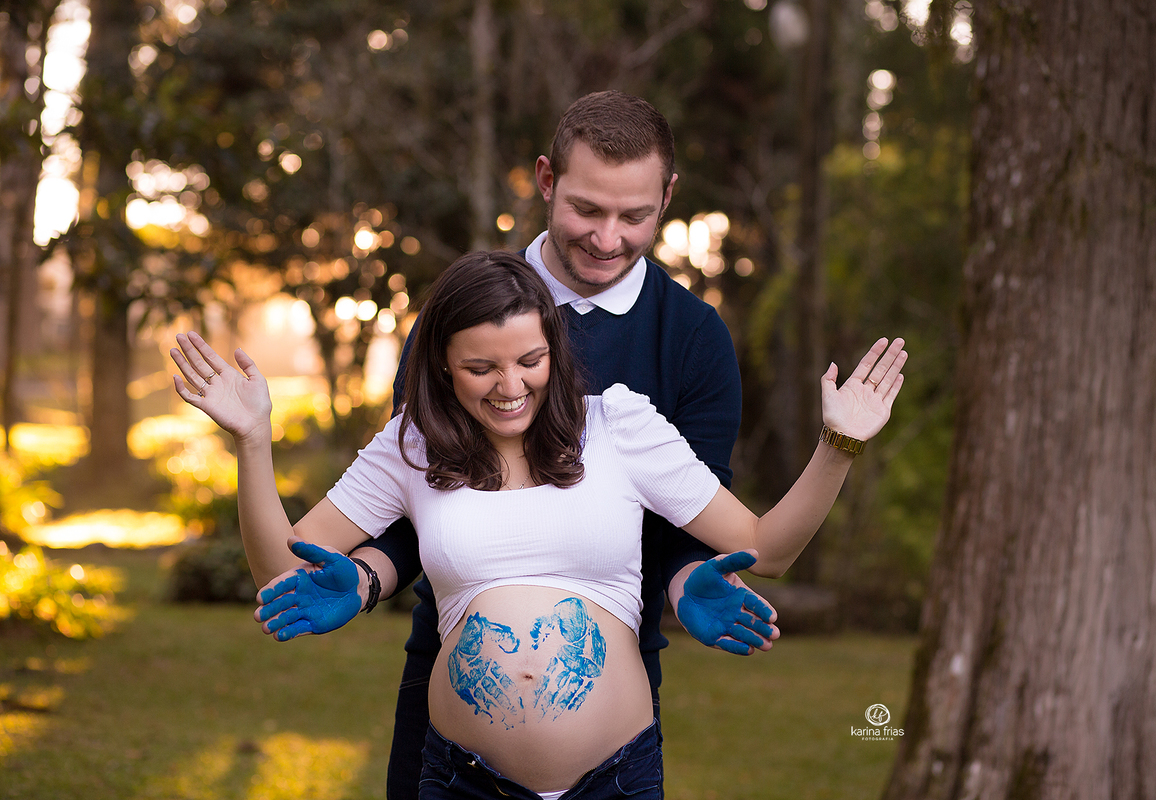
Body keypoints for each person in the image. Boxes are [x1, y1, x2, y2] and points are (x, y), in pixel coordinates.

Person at [170, 250, 905, 800]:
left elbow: (767, 548)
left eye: (530, 360)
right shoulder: (412, 445)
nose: (511, 386)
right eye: (482, 368)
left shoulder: (619, 425)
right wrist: (253, 441)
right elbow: (279, 571)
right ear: (444, 369)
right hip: (466, 781)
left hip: (612, 780)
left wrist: (837, 446)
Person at [257, 91, 782, 800]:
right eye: (587, 210)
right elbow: (424, 497)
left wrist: (691, 580)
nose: (607, 238)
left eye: (636, 215)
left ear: (668, 196)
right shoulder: (460, 316)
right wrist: (368, 577)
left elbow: (696, 518)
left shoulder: (694, 338)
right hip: (450, 687)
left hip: (606, 698)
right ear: (546, 181)